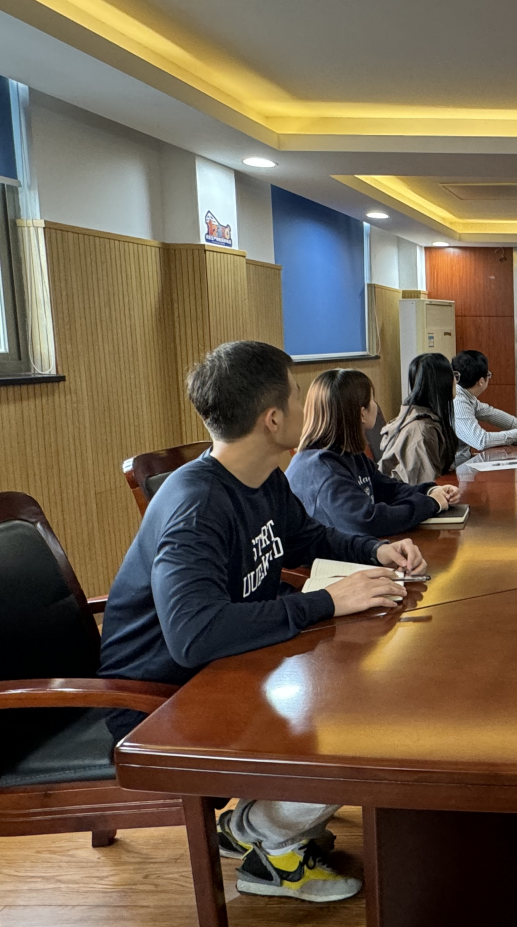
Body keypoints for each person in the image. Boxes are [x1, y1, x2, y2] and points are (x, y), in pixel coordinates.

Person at [98, 341, 426, 903]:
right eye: (296, 396)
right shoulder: (198, 505)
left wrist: (375, 550)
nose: (305, 405)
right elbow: (194, 635)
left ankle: (258, 823)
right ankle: (265, 842)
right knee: (359, 720)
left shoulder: (265, 478)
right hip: (161, 698)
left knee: (364, 684)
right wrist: (326, 602)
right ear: (272, 419)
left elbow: (309, 537)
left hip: (228, 667)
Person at [287, 368, 461, 537]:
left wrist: (429, 490)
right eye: (372, 400)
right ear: (362, 414)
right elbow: (367, 521)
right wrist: (431, 504)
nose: (375, 405)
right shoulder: (323, 469)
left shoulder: (348, 453)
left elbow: (388, 489)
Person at [380, 352, 463, 484]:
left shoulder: (421, 417)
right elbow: (426, 487)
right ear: (441, 382)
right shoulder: (421, 430)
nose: (455, 381)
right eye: (452, 375)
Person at [451, 349, 517, 456]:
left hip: (464, 459)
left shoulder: (465, 396)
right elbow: (480, 440)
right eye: (488, 375)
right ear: (481, 381)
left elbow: (491, 414)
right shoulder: (458, 402)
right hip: (456, 464)